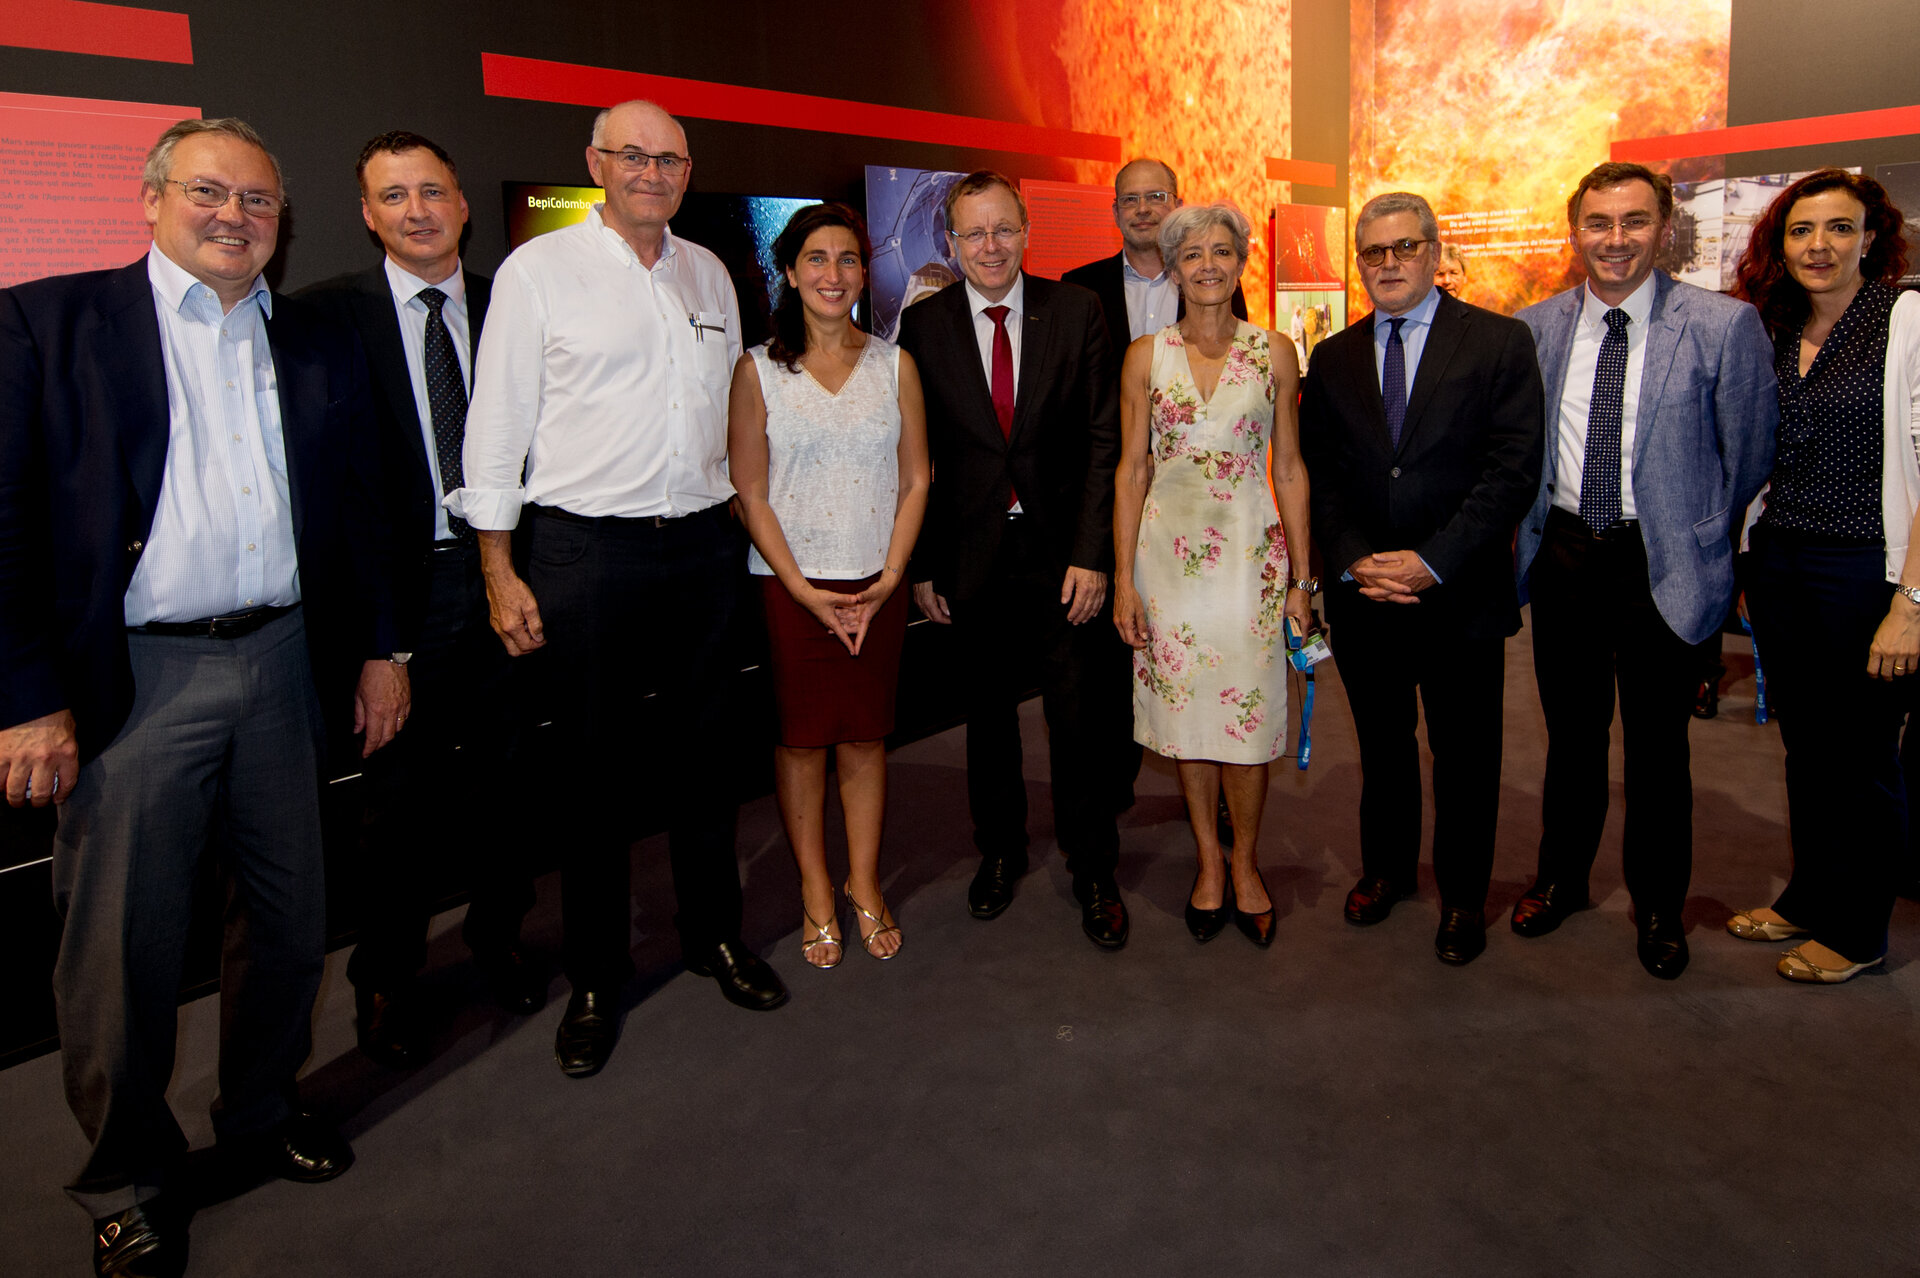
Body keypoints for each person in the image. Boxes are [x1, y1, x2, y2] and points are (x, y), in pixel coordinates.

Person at [0, 117, 401, 1277]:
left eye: (261, 202)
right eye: (210, 194)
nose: (236, 218)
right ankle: (124, 1174)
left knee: (285, 919)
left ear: (285, 220)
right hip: (134, 680)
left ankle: (262, 1114)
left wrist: (384, 651)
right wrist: (28, 698)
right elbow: (7, 525)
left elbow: (363, 508)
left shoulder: (315, 337)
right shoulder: (48, 323)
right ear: (152, 199)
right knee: (121, 948)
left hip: (282, 663)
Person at [448, 99, 788, 1081]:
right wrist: (497, 566)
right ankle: (597, 978)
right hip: (583, 557)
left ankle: (712, 937)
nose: (652, 172)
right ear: (596, 162)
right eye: (633, 155)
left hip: (700, 556)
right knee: (591, 774)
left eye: (670, 158)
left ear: (687, 172)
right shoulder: (538, 272)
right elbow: (497, 423)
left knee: (706, 762)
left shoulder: (709, 272)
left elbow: (732, 409)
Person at [298, 131, 542, 1068]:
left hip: (512, 581)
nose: (416, 210)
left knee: (511, 784)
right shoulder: (322, 320)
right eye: (393, 196)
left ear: (463, 205)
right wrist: (377, 643)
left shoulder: (515, 308)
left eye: (432, 190)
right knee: (393, 813)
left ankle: (498, 935)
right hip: (398, 607)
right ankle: (387, 981)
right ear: (367, 214)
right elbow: (328, 498)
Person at [1510, 161, 1778, 980]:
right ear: (1575, 230)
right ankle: (1560, 880)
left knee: (1660, 751)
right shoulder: (1535, 326)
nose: (1615, 240)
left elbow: (1750, 452)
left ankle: (1659, 905)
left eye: (1633, 222)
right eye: (1598, 222)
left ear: (1664, 229)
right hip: (1562, 556)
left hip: (1663, 561)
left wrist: (1698, 533)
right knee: (1572, 739)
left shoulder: (1723, 325)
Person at [1297, 191, 1544, 966]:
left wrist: (1432, 561)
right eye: (1375, 252)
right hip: (1365, 595)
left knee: (1466, 756)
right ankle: (1387, 872)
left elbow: (1513, 471)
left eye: (1405, 248)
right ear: (1360, 261)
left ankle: (1464, 897)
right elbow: (1323, 475)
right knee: (1383, 747)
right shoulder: (1334, 357)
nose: (1390, 263)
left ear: (1436, 254)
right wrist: (1352, 558)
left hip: (1459, 594)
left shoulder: (1499, 343)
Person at [896, 171, 1134, 949]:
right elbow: (916, 455)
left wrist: (1093, 554)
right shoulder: (924, 328)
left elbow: (1105, 440)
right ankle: (999, 852)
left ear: (1026, 232)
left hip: (1063, 557)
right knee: (987, 720)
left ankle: (1093, 866)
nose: (990, 246)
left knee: (1080, 720)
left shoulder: (1076, 312)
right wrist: (926, 567)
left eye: (1003, 229)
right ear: (952, 243)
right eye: (974, 233)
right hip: (971, 558)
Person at [727, 203, 931, 967]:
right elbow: (750, 491)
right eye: (817, 259)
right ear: (789, 271)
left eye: (848, 259)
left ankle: (865, 883)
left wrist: (888, 580)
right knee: (803, 743)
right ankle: (817, 890)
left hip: (876, 581)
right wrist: (805, 592)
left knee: (867, 739)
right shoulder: (757, 370)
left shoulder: (895, 365)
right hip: (791, 588)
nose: (834, 275)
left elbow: (917, 480)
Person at [1729, 167, 1918, 983]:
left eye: (1838, 229)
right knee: (1807, 747)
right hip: (1783, 562)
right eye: (1802, 231)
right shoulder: (1774, 330)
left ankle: (1858, 929)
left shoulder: (1906, 322)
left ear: (1870, 239)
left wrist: (1912, 603)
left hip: (1866, 569)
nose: (1819, 246)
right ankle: (1809, 897)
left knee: (1862, 752)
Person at [1112, 202, 1313, 947]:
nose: (1206, 265)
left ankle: (1248, 863)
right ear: (1172, 266)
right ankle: (1207, 861)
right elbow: (1131, 471)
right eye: (1191, 253)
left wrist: (1302, 578)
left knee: (1248, 719)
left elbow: (1289, 467)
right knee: (1190, 722)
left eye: (1221, 251)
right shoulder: (1144, 355)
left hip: (1251, 566)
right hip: (1167, 566)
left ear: (1241, 262)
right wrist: (1124, 579)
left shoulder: (1276, 352)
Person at [1062, 157, 1247, 352]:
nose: (1142, 209)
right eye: (1130, 199)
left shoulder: (1213, 280)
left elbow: (1235, 361)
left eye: (1156, 197)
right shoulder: (1079, 286)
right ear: (1116, 213)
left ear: (1178, 206)